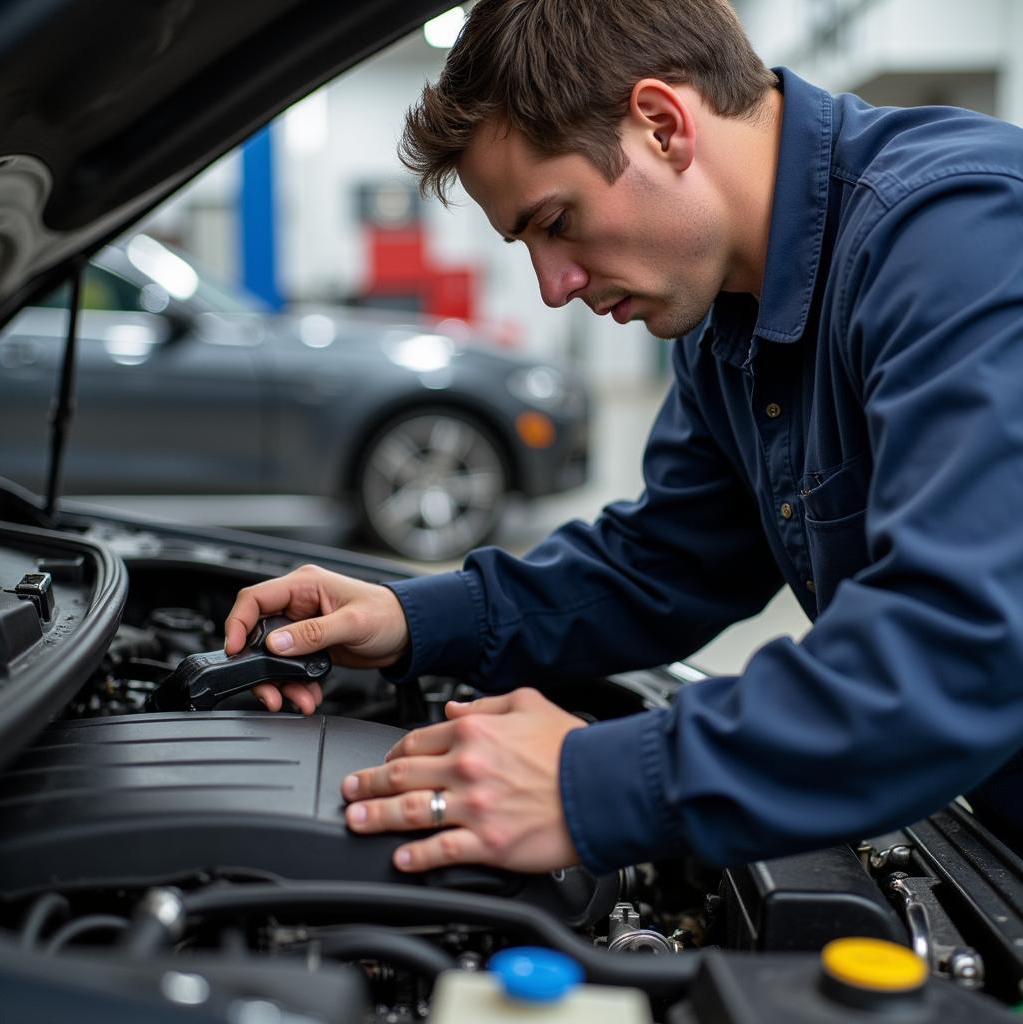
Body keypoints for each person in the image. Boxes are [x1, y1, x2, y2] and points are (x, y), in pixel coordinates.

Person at [224, 0, 1023, 876]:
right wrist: (408, 617)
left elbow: (959, 643)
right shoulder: (730, 318)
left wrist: (589, 784)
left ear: (661, 124)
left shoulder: (962, 239)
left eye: (555, 222)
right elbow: (665, 563)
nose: (553, 287)